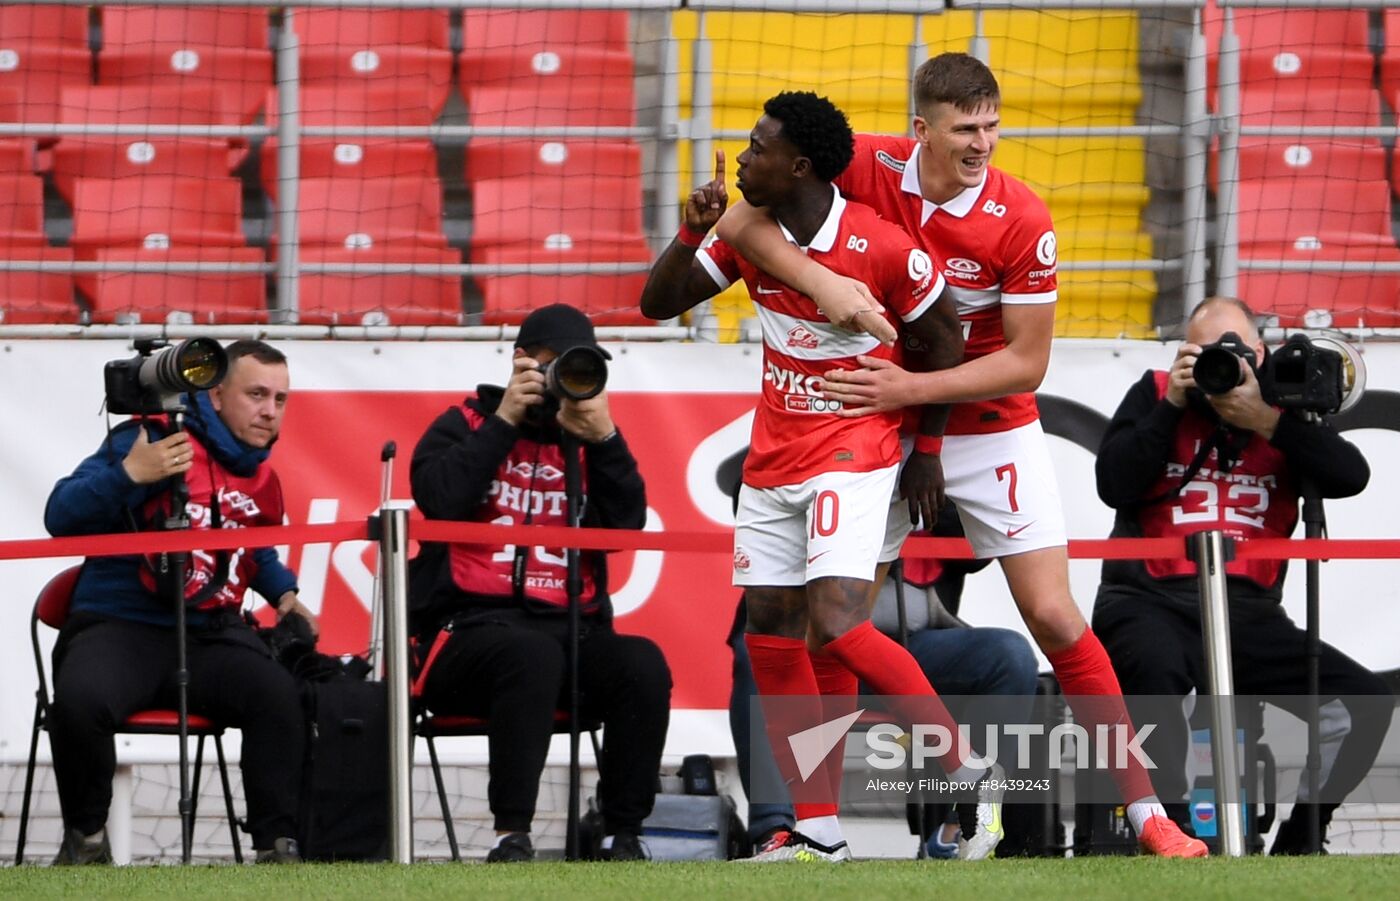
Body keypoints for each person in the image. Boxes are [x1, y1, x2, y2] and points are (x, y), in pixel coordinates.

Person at [715, 53, 1205, 857]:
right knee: (831, 631)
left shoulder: (1023, 218)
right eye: (965, 128)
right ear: (921, 131)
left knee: (1052, 615)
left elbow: (1027, 364)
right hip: (883, 427)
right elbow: (741, 217)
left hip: (988, 423)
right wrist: (822, 284)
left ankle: (1148, 814)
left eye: (992, 126)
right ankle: (819, 830)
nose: (983, 143)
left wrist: (910, 398)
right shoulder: (867, 163)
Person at [642, 90, 989, 864]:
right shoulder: (750, 236)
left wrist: (925, 444)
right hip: (773, 453)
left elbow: (946, 342)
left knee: (835, 625)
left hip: (855, 450)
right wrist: (692, 232)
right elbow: (656, 303)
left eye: (756, 146)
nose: (740, 157)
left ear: (797, 165)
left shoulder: (884, 247)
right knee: (770, 631)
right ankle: (819, 829)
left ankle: (966, 767)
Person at [1092, 295, 1393, 854]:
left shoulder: (1287, 408)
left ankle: (1301, 840)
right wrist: (1173, 408)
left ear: (1260, 353)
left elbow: (1351, 475)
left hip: (1247, 613)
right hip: (1148, 597)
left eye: (1234, 351)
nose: (1222, 363)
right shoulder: (1158, 392)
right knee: (1152, 665)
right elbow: (1114, 481)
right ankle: (1169, 833)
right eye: (1205, 352)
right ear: (1183, 355)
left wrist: (1267, 421)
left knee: (1366, 700)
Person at [408, 303, 672, 863]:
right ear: (521, 362)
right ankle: (513, 833)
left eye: (580, 369)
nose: (564, 383)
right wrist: (505, 419)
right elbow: (438, 500)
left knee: (642, 663)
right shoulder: (465, 423)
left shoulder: (586, 438)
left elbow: (625, 528)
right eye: (556, 367)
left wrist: (605, 442)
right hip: (466, 634)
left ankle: (621, 834)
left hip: (568, 629)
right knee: (526, 653)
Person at [44, 339, 311, 865]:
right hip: (121, 625)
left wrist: (284, 593)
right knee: (78, 701)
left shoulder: (262, 476)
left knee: (281, 696)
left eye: (280, 400)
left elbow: (254, 548)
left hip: (213, 634)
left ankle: (276, 849)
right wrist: (130, 476)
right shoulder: (150, 439)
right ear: (214, 394)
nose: (268, 411)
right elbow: (60, 515)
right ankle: (87, 840)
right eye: (256, 394)